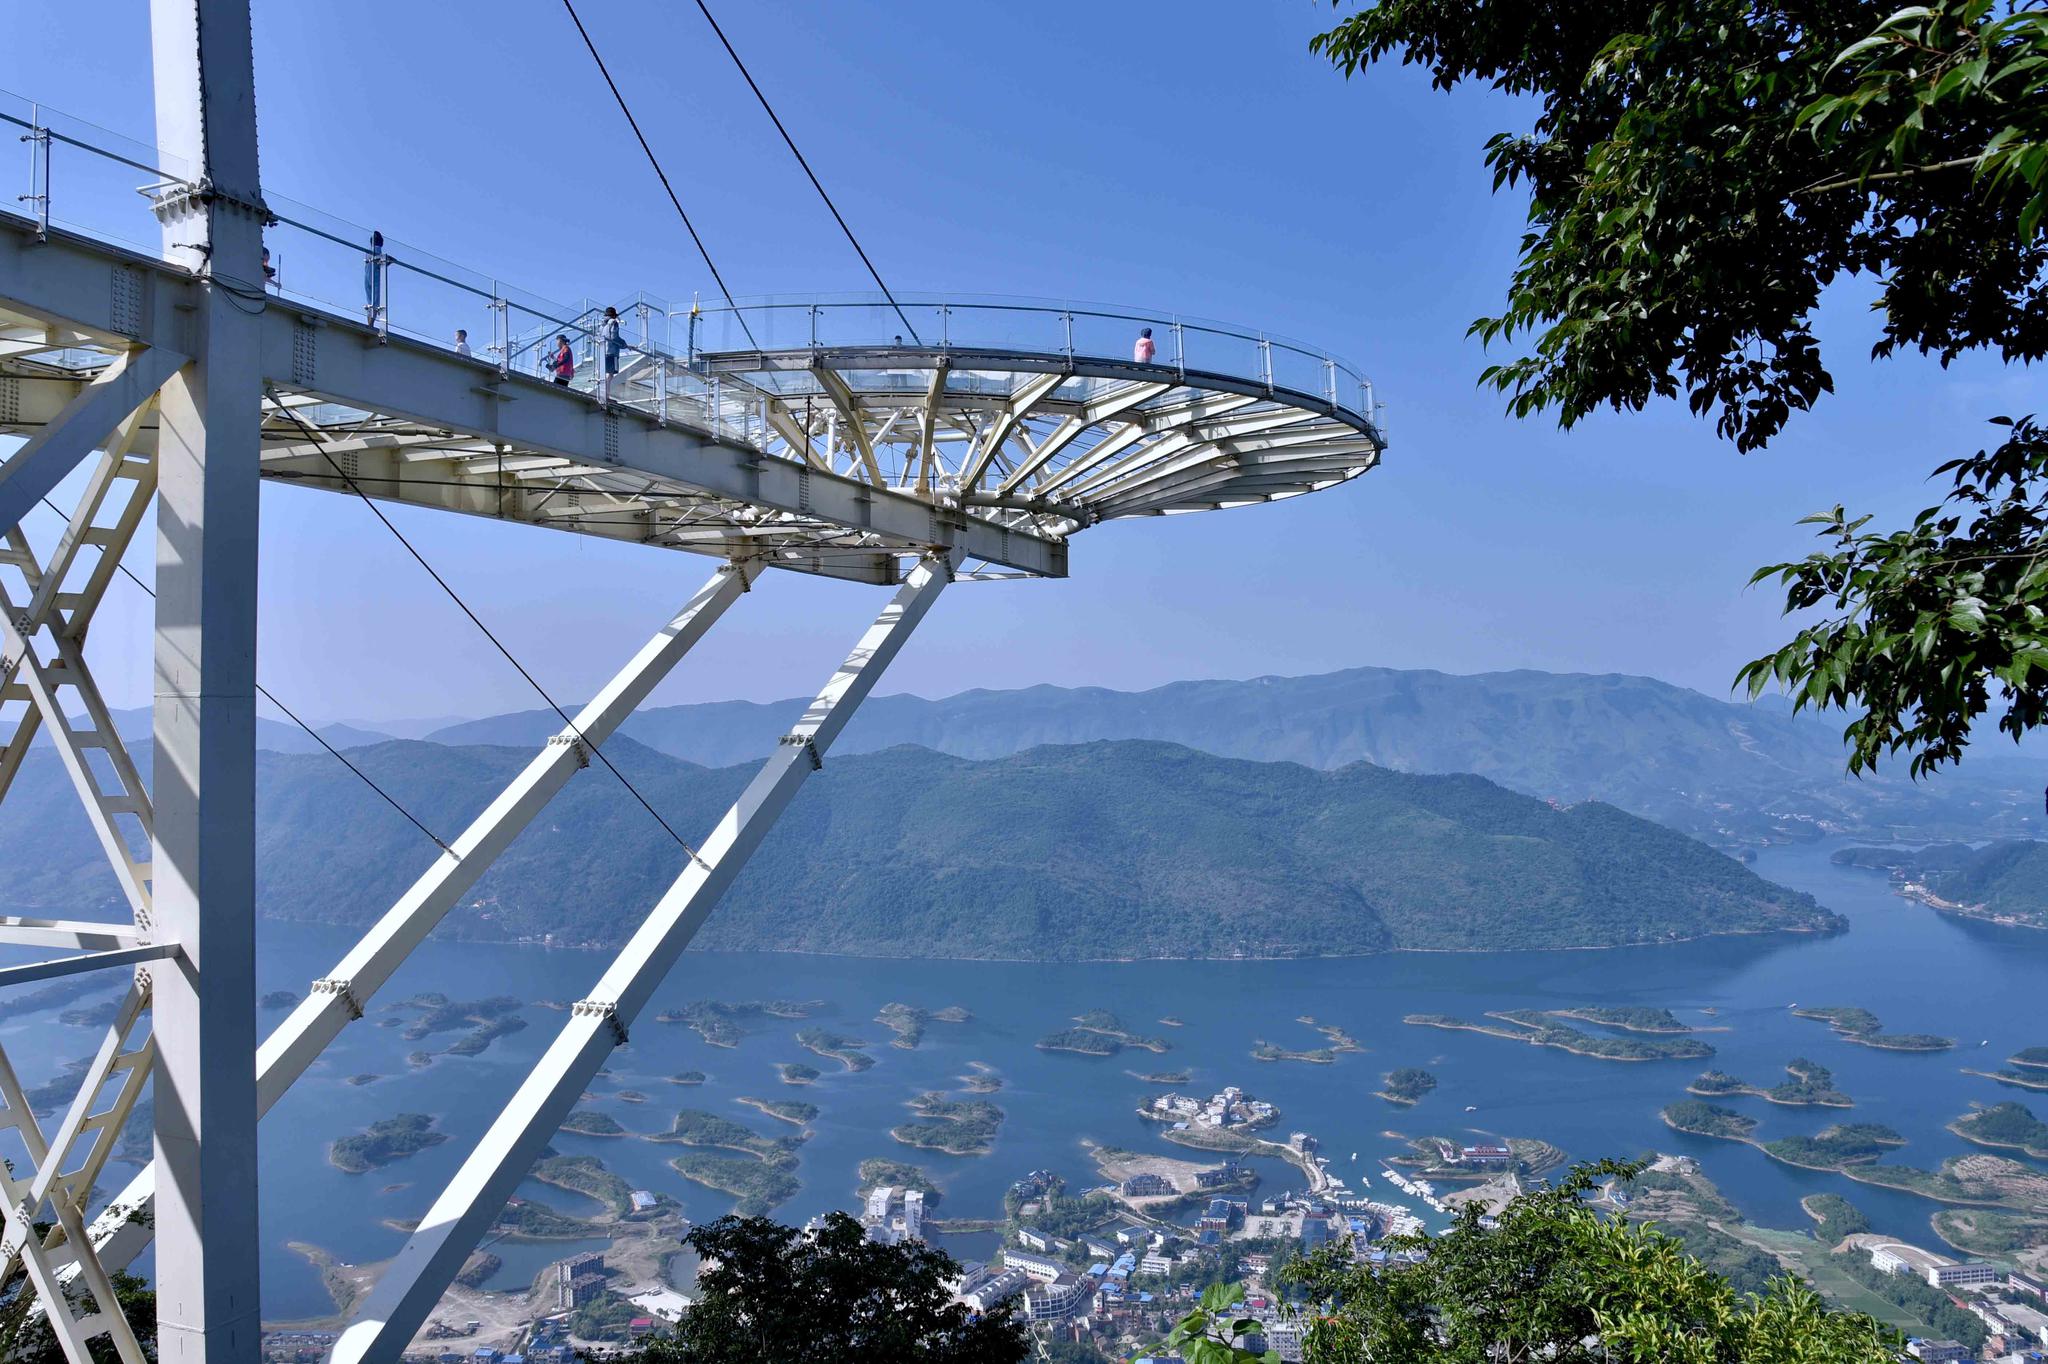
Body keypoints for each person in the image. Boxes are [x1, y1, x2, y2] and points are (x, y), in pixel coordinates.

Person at [599, 306, 623, 402]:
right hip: (612, 352)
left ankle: (603, 393)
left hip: (603, 351)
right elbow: (614, 337)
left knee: (605, 374)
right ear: (613, 315)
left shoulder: (602, 325)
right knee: (610, 374)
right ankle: (606, 395)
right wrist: (624, 345)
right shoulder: (614, 323)